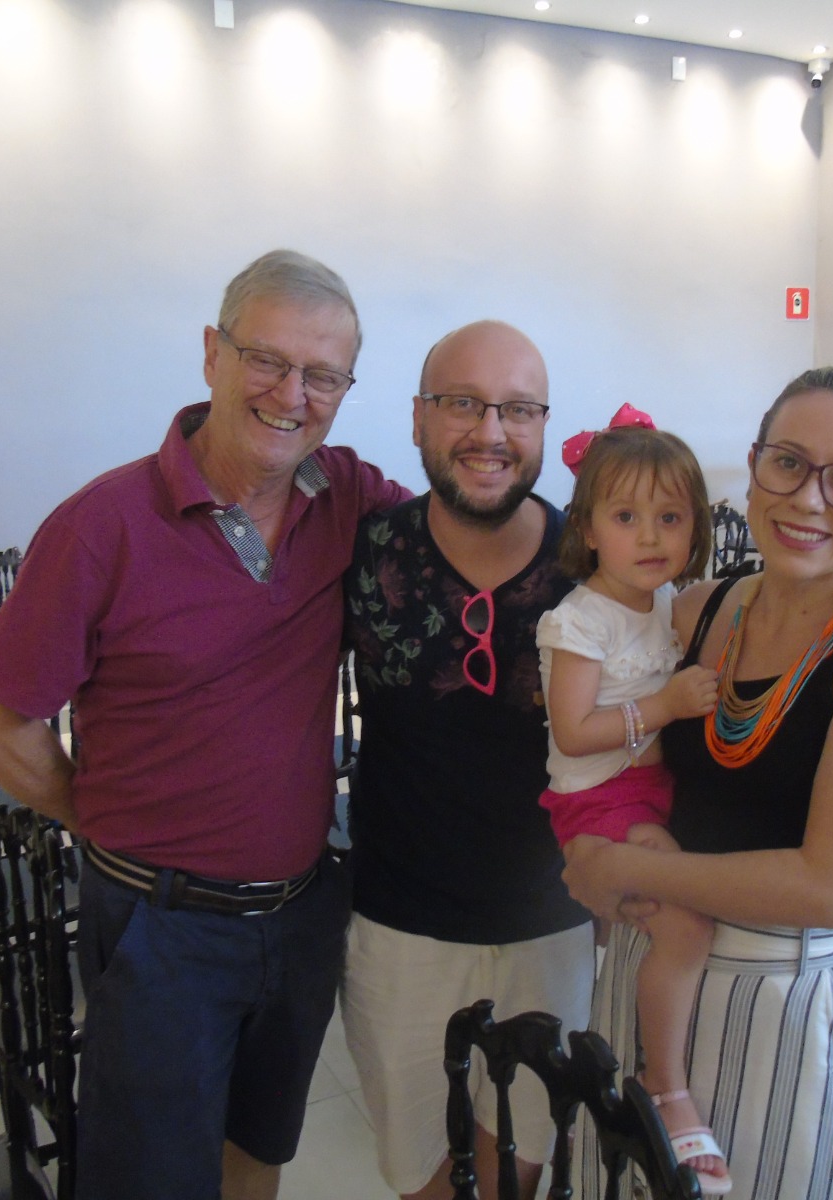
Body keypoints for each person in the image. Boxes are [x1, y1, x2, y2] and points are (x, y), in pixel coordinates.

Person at [0, 249, 411, 1200]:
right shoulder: (103, 525)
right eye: (267, 360)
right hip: (160, 929)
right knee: (153, 1181)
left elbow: (464, 546)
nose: (292, 395)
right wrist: (94, 814)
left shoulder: (350, 497)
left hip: (300, 911)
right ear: (212, 353)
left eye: (322, 375)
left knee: (258, 1152)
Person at [563, 366, 833, 1200]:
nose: (808, 498)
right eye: (788, 463)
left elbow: (825, 887)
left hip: (778, 999)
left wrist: (619, 867)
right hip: (649, 967)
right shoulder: (698, 610)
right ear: (753, 467)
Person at [341, 320, 596, 1200]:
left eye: (518, 409)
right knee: (420, 1174)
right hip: (399, 927)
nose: (491, 432)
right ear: (417, 417)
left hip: (552, 924)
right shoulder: (367, 553)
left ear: (543, 425)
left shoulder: (592, 563)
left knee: (515, 1172)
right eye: (462, 404)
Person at [536, 405, 730, 1193]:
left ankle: (640, 1037)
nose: (650, 537)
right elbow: (574, 732)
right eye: (626, 518)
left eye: (670, 518)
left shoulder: (666, 601)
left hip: (650, 788)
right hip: (600, 798)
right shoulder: (581, 619)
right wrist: (667, 706)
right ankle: (666, 1083)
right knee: (686, 922)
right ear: (587, 529)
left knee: (671, 924)